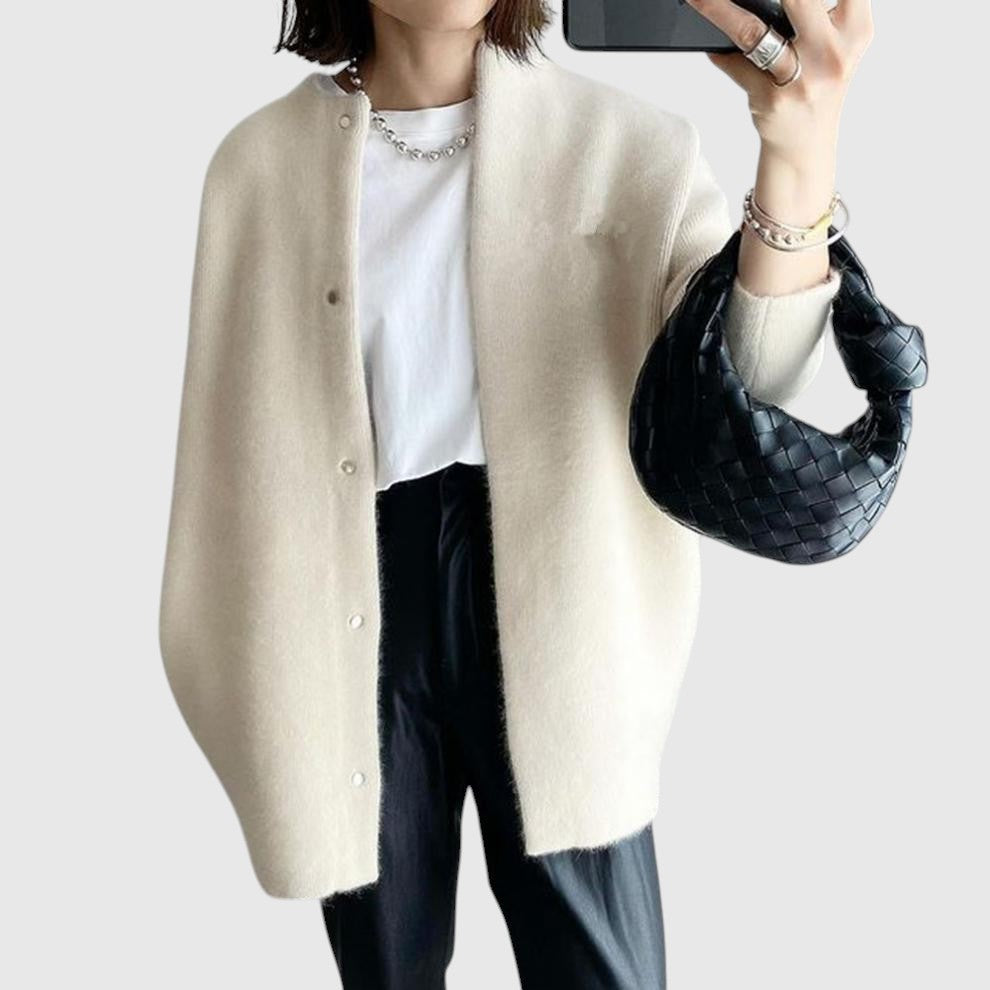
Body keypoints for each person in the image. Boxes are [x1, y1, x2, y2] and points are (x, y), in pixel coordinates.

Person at [158, 0, 873, 986]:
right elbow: (222, 474)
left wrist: (801, 155)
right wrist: (233, 679)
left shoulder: (630, 149)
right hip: (345, 615)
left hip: (564, 597)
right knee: (386, 965)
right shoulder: (257, 169)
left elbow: (751, 385)